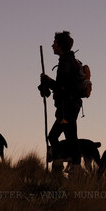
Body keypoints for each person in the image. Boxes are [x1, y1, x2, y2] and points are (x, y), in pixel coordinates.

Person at [39, 31, 82, 168]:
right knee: (71, 139)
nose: (52, 45)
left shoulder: (65, 61)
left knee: (52, 136)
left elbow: (62, 87)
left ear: (60, 45)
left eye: (54, 43)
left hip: (66, 108)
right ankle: (76, 167)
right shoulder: (72, 60)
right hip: (72, 106)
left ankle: (57, 164)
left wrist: (48, 81)